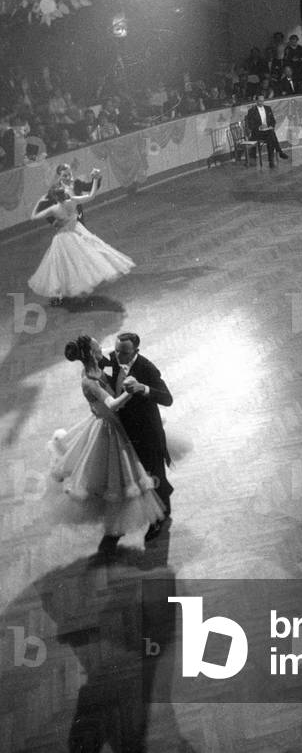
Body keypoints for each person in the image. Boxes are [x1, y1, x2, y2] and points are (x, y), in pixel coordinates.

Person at [49, 335, 165, 556]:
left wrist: (130, 354)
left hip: (114, 425)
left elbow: (115, 351)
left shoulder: (93, 366)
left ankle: (116, 530)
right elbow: (111, 404)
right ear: (93, 353)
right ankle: (123, 526)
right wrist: (130, 391)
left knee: (120, 479)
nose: (103, 348)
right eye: (97, 346)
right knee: (120, 479)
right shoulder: (89, 381)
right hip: (109, 431)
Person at [105, 332, 174, 543]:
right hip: (126, 431)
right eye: (116, 350)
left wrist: (143, 388)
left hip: (147, 435)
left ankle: (161, 516)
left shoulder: (146, 368)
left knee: (154, 476)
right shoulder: (116, 358)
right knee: (138, 475)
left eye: (124, 352)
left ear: (136, 351)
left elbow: (167, 398)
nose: (117, 356)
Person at [28, 174, 134, 306]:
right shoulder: (73, 201)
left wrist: (40, 202)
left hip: (63, 237)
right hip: (77, 232)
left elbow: (33, 217)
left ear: (55, 197)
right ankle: (78, 287)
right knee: (83, 259)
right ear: (65, 193)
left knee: (63, 265)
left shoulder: (53, 209)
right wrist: (95, 180)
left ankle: (67, 290)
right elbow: (91, 196)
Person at [245, 94, 289, 168]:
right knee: (271, 136)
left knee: (270, 136)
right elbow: (250, 125)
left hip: (267, 131)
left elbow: (273, 120)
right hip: (257, 133)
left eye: (263, 101)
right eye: (260, 101)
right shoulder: (252, 111)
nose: (261, 103)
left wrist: (270, 126)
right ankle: (278, 153)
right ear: (256, 101)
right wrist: (259, 127)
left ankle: (272, 161)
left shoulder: (268, 108)